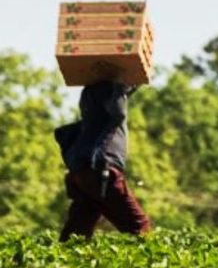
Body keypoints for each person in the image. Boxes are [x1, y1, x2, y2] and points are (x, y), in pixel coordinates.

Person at [55, 73, 151, 242]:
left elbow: (115, 100)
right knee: (139, 227)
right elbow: (118, 110)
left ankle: (60, 265)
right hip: (102, 173)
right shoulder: (112, 92)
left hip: (81, 175)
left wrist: (129, 85)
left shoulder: (89, 94)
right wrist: (122, 85)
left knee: (77, 232)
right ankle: (150, 266)